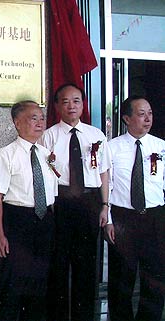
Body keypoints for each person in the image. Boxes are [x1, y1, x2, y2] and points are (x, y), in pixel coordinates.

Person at [39, 83, 111, 321]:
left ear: (83, 104)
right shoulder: (48, 136)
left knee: (86, 266)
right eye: (66, 101)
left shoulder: (95, 135)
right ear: (58, 105)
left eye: (76, 101)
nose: (71, 106)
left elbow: (104, 173)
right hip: (60, 203)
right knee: (58, 265)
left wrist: (104, 206)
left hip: (90, 204)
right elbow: (44, 173)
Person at [0, 101, 58, 321]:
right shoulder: (5, 155)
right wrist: (0, 235)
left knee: (39, 286)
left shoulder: (47, 154)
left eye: (41, 118)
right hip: (17, 222)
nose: (39, 123)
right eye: (32, 118)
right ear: (17, 123)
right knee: (11, 286)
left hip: (44, 221)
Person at [105, 95, 165, 321]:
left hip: (155, 217)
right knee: (122, 278)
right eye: (141, 114)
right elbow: (107, 187)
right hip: (123, 218)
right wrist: (109, 220)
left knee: (155, 277)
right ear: (126, 118)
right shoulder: (112, 148)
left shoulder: (160, 147)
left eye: (149, 113)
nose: (147, 119)